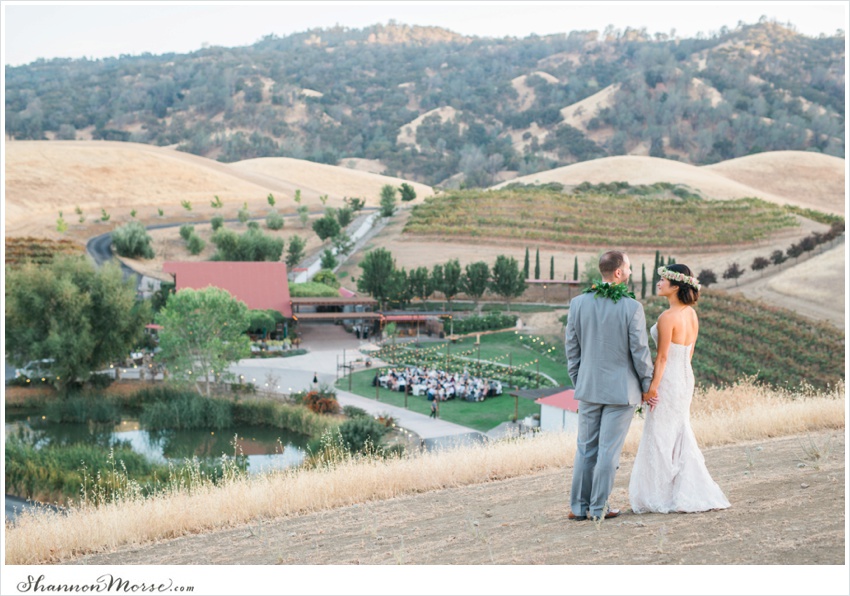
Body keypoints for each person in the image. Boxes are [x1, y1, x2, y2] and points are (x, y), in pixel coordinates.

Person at [629, 264, 731, 514]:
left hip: (668, 378)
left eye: (662, 279)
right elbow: (690, 352)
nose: (658, 282)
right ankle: (682, 489)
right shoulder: (691, 314)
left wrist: (651, 389)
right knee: (679, 430)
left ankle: (660, 494)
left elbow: (662, 358)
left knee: (660, 434)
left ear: (675, 286)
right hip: (685, 376)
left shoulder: (667, 318)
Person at [565, 250, 654, 521]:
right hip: (621, 391)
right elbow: (639, 351)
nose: (629, 272)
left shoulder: (578, 303)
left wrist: (579, 380)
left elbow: (572, 348)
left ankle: (578, 508)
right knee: (607, 451)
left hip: (589, 388)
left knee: (585, 448)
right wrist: (647, 385)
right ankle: (597, 508)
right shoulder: (631, 307)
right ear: (618, 272)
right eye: (627, 268)